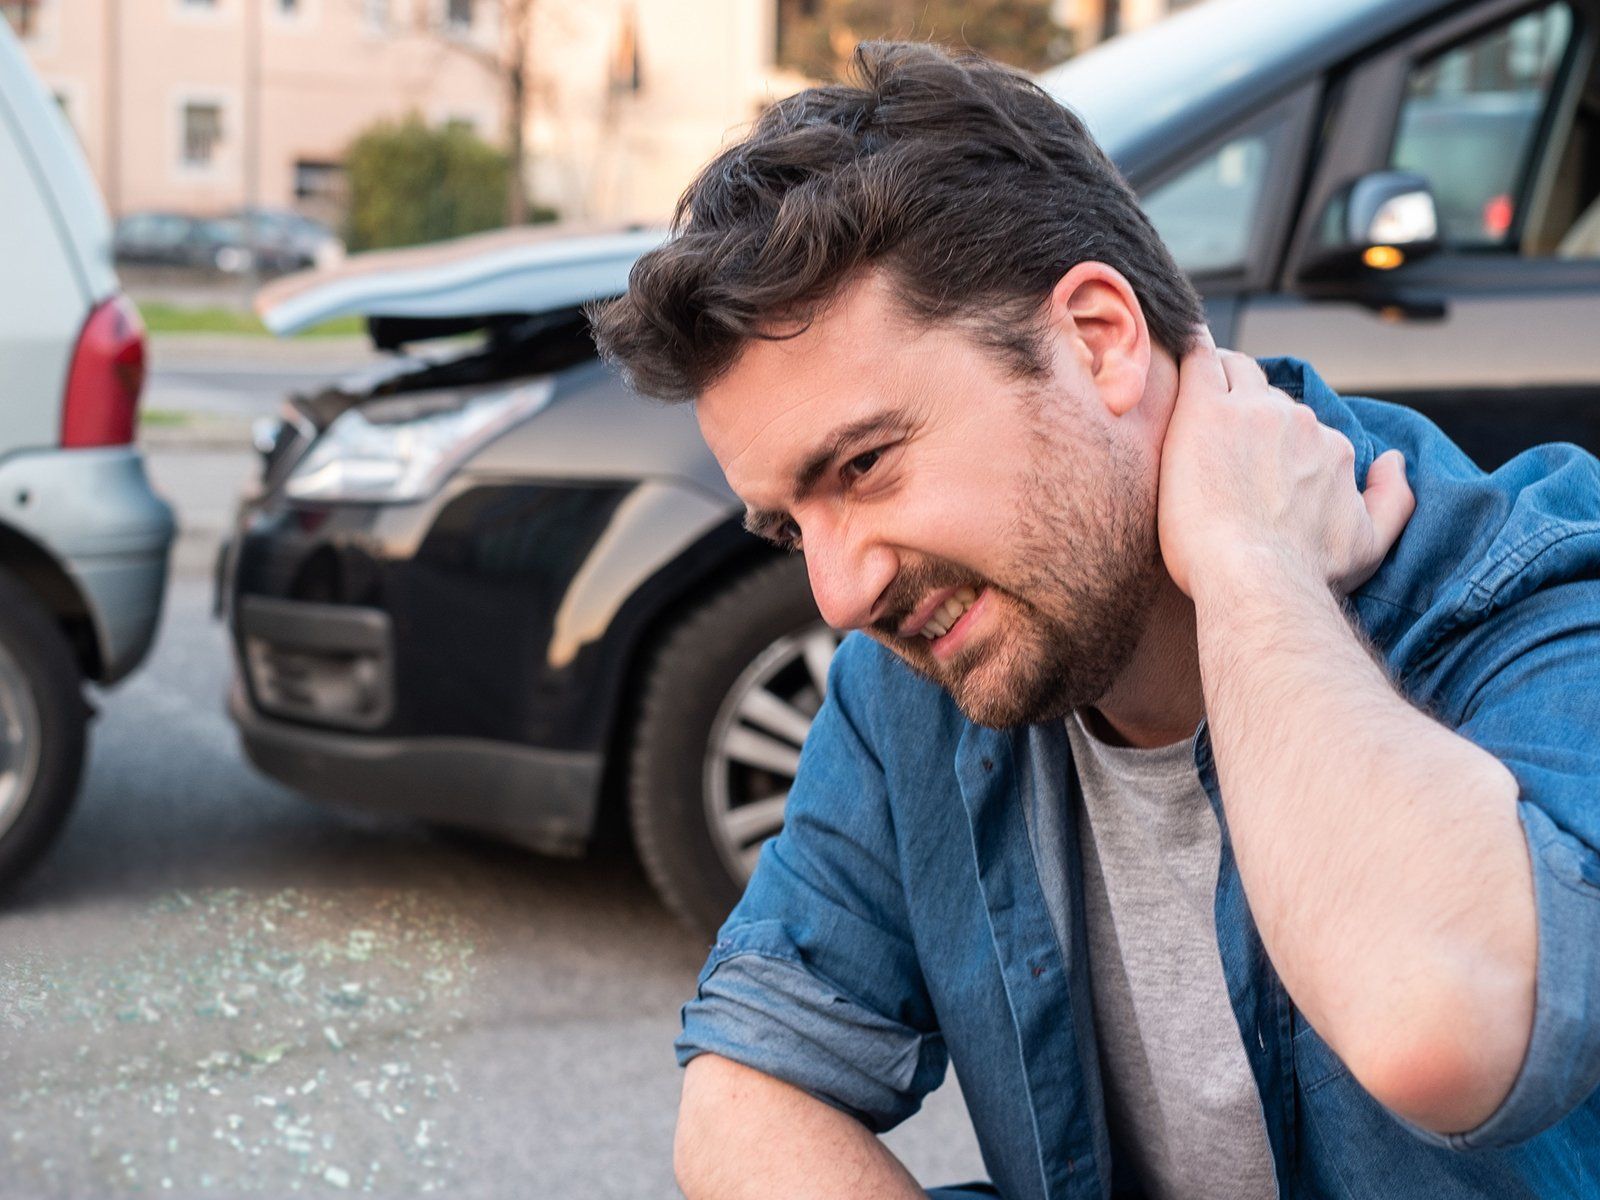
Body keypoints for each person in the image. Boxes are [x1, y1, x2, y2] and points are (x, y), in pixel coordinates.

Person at [590, 41, 1600, 1200]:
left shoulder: (1522, 586)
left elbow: (1440, 1027)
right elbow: (743, 1097)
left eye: (864, 465)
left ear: (1097, 340)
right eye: (788, 527)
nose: (837, 596)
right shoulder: (920, 681)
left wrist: (1254, 566)